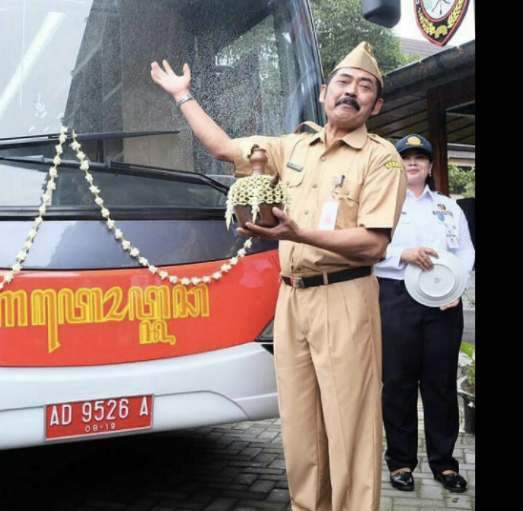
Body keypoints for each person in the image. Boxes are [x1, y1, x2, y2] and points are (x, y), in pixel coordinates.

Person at [150, 42, 406, 511]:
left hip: (345, 295)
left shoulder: (381, 158)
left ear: (377, 104)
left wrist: (300, 232)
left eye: (365, 87)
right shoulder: (292, 145)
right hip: (291, 300)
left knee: (350, 425)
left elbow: (373, 243)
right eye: (344, 83)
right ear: (326, 92)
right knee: (301, 426)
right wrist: (183, 95)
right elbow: (225, 148)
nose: (352, 93)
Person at [373, 134, 475, 493]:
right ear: (396, 165)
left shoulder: (449, 207)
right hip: (396, 298)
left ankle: (445, 464)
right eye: (406, 157)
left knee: (441, 384)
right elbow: (367, 249)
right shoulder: (381, 205)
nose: (412, 163)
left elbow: (465, 251)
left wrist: (457, 287)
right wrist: (402, 254)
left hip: (443, 303)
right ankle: (400, 462)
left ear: (431, 166)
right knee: (398, 383)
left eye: (420, 157)